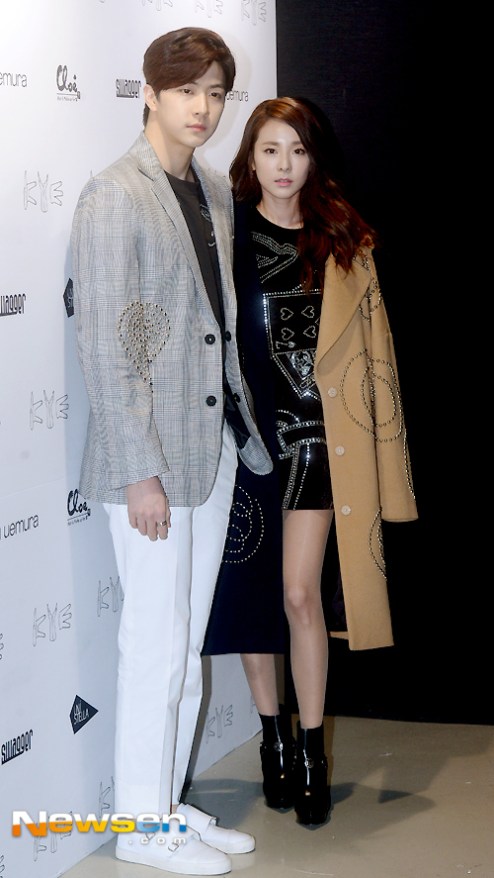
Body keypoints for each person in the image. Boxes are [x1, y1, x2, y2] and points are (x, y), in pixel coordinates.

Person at [70, 28, 272, 876]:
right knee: (154, 646)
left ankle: (162, 805)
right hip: (148, 465)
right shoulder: (115, 195)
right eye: (187, 89)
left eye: (216, 91)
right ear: (149, 93)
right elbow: (107, 348)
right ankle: (140, 829)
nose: (204, 107)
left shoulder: (213, 191)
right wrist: (140, 471)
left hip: (211, 448)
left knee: (183, 648)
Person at [203, 97, 418, 827]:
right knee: (252, 597)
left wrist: (388, 462)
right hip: (243, 442)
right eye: (270, 150)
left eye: (297, 150)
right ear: (251, 158)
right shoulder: (227, 236)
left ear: (314, 158)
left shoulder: (343, 244)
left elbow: (377, 360)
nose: (284, 166)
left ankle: (310, 753)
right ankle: (271, 735)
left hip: (317, 442)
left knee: (299, 595)